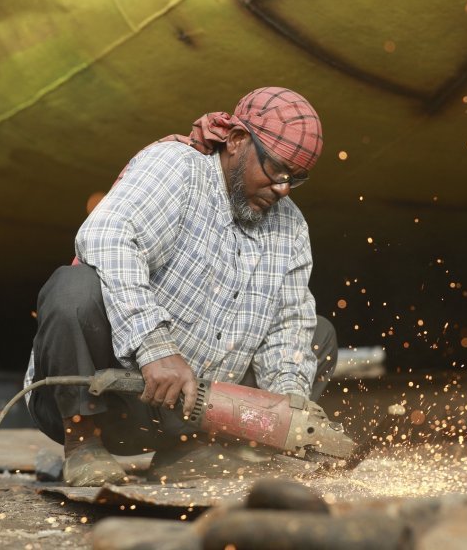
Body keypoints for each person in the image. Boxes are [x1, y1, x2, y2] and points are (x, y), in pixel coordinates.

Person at [23, 87, 338, 486]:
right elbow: (105, 235)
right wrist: (155, 347)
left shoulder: (290, 225)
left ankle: (193, 451)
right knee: (73, 288)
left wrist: (287, 411)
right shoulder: (177, 168)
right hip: (114, 400)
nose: (283, 188)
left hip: (194, 414)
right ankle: (84, 445)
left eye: (295, 177)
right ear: (238, 141)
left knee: (318, 333)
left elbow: (289, 326)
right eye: (276, 169)